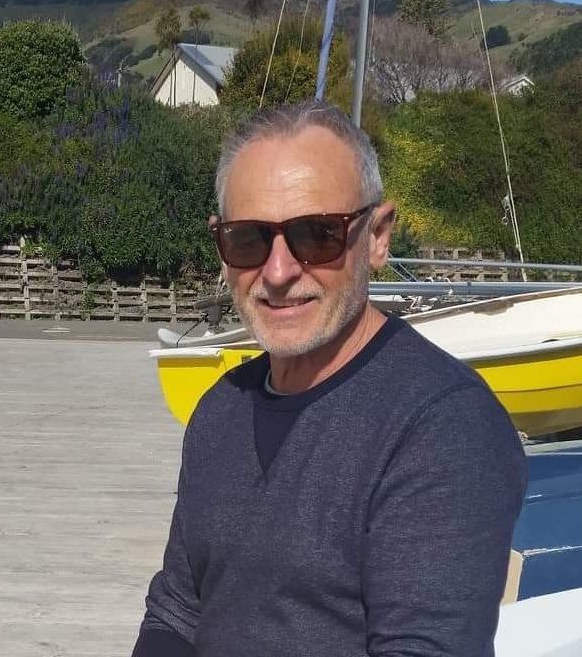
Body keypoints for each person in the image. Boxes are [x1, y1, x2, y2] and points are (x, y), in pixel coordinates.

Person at [132, 100, 527, 657]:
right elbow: (176, 612)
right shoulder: (220, 408)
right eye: (249, 239)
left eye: (317, 234)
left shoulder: (443, 428)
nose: (277, 271)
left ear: (378, 236)